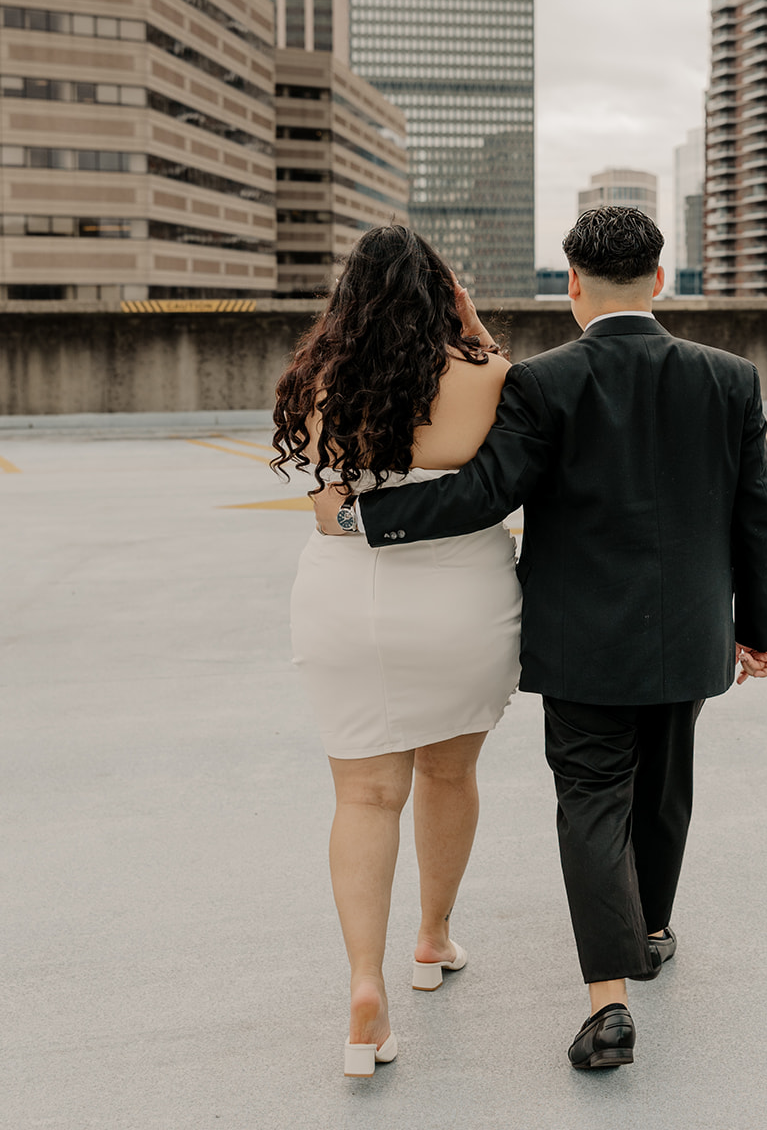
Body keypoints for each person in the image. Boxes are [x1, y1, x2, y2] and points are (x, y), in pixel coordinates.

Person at [313, 206, 767, 1070]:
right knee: (665, 784)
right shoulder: (730, 378)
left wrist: (358, 514)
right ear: (661, 276)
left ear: (570, 282)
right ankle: (646, 925)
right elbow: (758, 514)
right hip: (687, 634)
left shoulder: (544, 382)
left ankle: (608, 998)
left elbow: (480, 493)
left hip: (579, 640)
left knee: (592, 798)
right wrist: (756, 629)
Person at [272, 225, 521, 1079]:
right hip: (461, 597)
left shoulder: (314, 380)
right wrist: (476, 326)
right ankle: (431, 939)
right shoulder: (483, 374)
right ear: (441, 295)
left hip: (344, 594)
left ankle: (363, 987)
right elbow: (511, 411)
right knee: (450, 775)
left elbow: (325, 488)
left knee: (366, 795)